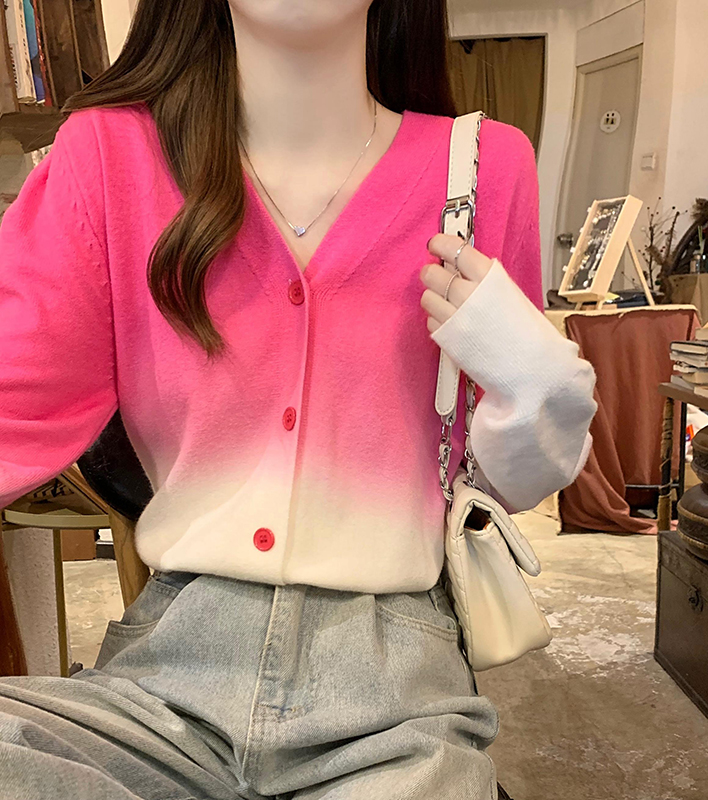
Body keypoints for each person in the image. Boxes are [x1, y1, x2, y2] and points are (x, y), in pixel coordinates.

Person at [0, 0, 597, 797]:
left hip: (395, 689)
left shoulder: (485, 167)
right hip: (164, 680)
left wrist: (542, 389)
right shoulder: (108, 155)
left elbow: (499, 490)